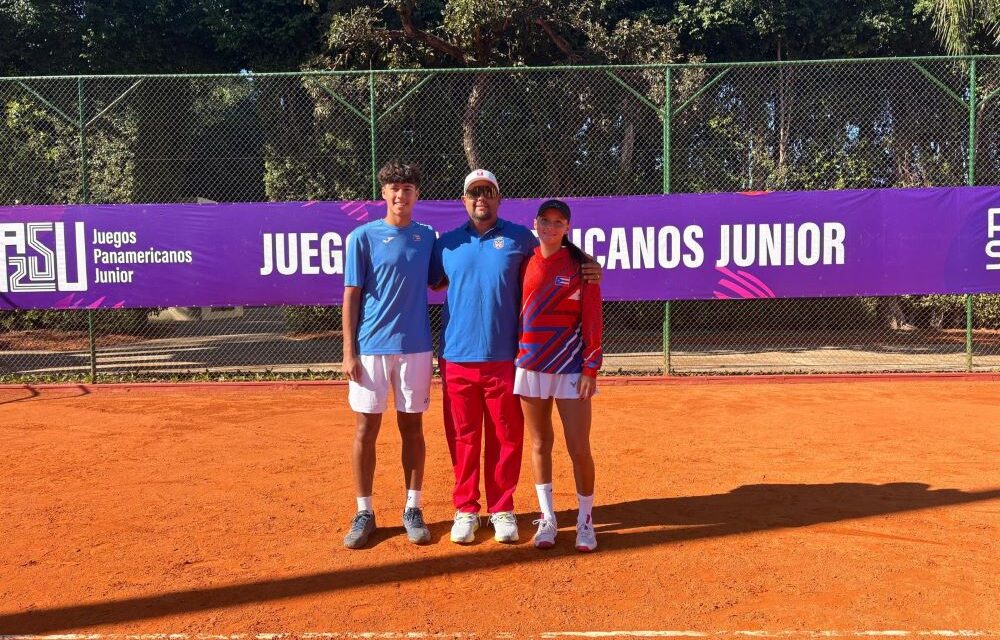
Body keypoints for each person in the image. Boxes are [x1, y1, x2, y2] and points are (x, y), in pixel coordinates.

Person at [430, 170, 601, 545]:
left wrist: (592, 265)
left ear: (499, 199)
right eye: (474, 193)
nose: (481, 199)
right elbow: (429, 280)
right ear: (463, 200)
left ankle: (503, 508)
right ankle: (466, 510)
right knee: (463, 437)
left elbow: (559, 256)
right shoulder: (446, 245)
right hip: (457, 355)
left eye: (488, 193)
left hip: (507, 356)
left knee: (506, 436)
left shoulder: (520, 239)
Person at [341, 160, 435, 549]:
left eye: (408, 188)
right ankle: (364, 511)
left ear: (416, 195)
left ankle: (412, 508)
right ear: (383, 193)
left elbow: (444, 277)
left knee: (412, 429)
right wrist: (349, 351)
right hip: (371, 349)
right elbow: (351, 294)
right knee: (367, 429)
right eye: (394, 188)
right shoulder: (361, 237)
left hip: (415, 348)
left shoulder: (427, 237)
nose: (401, 195)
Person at [515, 199, 602, 552]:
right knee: (539, 444)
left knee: (579, 447)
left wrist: (590, 368)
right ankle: (548, 518)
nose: (550, 227)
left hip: (570, 369)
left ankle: (585, 521)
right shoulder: (523, 263)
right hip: (531, 365)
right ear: (535, 223)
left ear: (567, 227)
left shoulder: (583, 267)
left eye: (558, 222)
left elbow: (593, 321)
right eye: (545, 221)